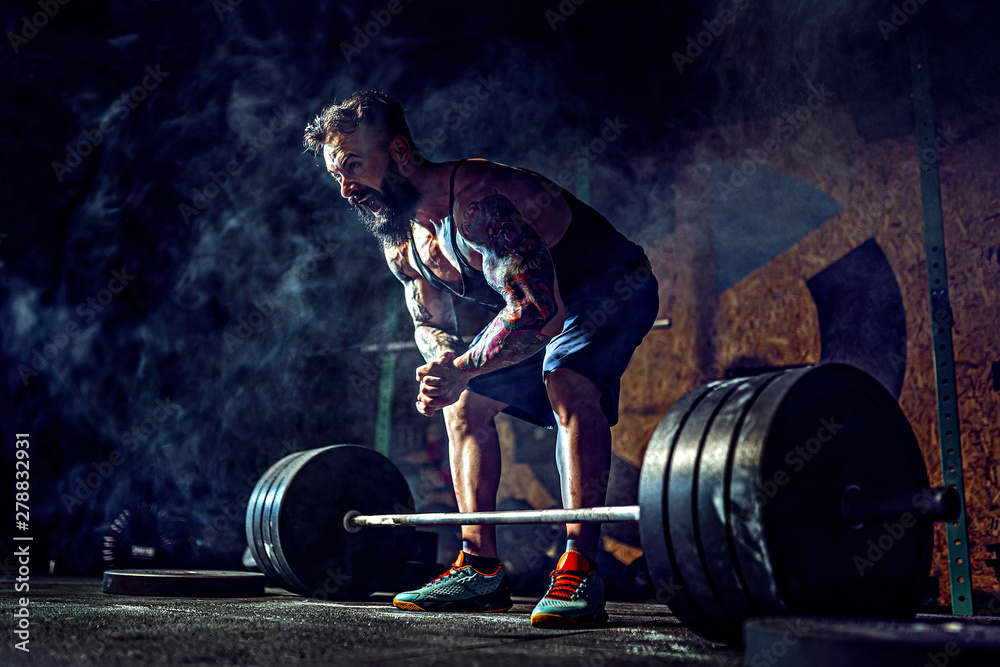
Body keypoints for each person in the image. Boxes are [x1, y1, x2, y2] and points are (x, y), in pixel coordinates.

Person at [303, 90, 658, 628]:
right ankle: (479, 567)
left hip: (609, 287)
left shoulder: (478, 201)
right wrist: (445, 371)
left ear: (399, 150)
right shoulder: (403, 241)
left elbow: (540, 312)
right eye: (338, 177)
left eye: (354, 165)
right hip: (539, 304)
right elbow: (430, 324)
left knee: (566, 380)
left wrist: (463, 365)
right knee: (463, 403)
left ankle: (580, 565)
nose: (348, 188)